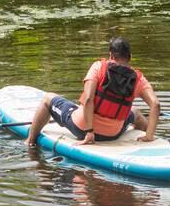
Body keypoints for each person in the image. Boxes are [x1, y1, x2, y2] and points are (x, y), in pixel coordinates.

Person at [25, 36, 160, 148]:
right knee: (135, 113)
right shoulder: (138, 79)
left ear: (110, 55)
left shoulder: (98, 67)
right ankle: (148, 137)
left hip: (82, 129)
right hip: (113, 134)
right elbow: (155, 105)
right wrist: (149, 135)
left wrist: (89, 132)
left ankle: (29, 142)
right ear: (130, 57)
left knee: (48, 98)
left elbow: (89, 99)